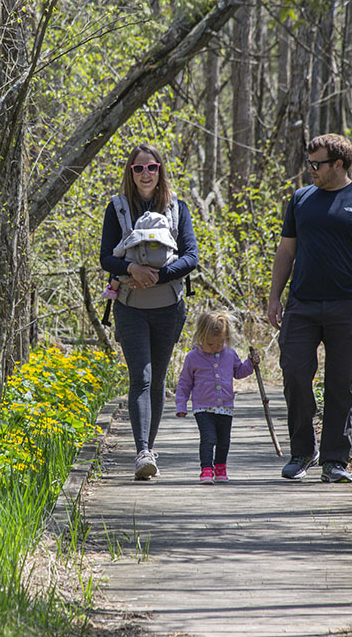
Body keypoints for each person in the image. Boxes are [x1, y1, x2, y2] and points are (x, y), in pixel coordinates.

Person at [266, 133, 352, 483]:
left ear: (338, 164)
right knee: (294, 374)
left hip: (347, 305)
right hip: (302, 305)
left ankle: (335, 459)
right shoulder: (301, 199)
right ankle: (302, 452)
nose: (311, 171)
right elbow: (286, 251)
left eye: (316, 164)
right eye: (309, 164)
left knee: (340, 384)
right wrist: (274, 297)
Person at [100, 143, 199, 480]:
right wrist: (133, 271)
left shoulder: (178, 208)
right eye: (138, 169)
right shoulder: (116, 209)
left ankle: (149, 448)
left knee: (157, 379)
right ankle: (142, 451)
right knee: (140, 377)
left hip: (169, 307)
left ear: (161, 171)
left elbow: (191, 256)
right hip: (130, 307)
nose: (145, 174)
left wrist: (155, 275)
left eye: (152, 168)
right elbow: (105, 258)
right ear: (130, 172)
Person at [175, 311, 258, 485]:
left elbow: (239, 372)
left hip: (226, 406)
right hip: (202, 407)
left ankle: (220, 467)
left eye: (220, 343)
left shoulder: (229, 354)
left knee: (224, 440)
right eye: (211, 344)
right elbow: (184, 383)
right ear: (200, 337)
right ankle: (206, 469)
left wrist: (250, 363)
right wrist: (181, 405)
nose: (215, 347)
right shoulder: (193, 357)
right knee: (208, 438)